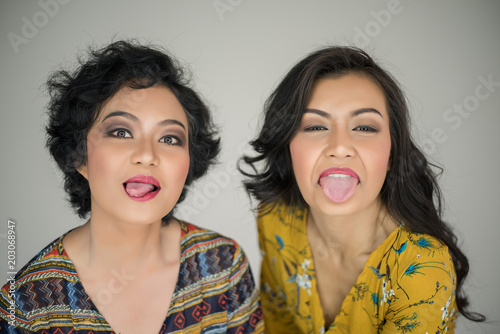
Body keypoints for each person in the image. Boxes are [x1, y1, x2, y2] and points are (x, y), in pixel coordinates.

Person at [0, 40, 263, 334]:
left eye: (169, 139)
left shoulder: (223, 266)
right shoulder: (24, 307)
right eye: (121, 132)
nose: (148, 155)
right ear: (79, 156)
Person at [240, 46, 484, 333]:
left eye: (365, 128)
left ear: (393, 153)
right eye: (315, 126)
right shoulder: (276, 218)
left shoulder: (421, 269)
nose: (340, 147)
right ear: (287, 148)